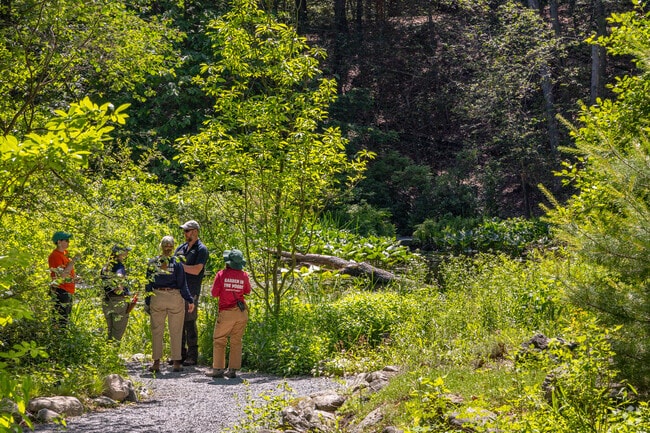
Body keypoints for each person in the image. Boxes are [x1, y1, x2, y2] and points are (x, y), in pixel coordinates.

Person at [145, 236, 195, 373]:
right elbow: (182, 284)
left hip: (157, 296)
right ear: (173, 247)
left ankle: (156, 363)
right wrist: (190, 300)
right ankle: (177, 362)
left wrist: (147, 302)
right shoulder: (177, 263)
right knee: (176, 330)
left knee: (157, 330)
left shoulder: (152, 263)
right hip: (174, 297)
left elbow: (148, 284)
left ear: (161, 246)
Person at [205, 249, 251, 379]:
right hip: (241, 313)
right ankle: (232, 370)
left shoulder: (221, 274)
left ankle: (218, 369)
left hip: (226, 312)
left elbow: (214, 294)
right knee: (236, 340)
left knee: (220, 340)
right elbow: (247, 291)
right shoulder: (244, 275)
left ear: (228, 262)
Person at [174, 220, 209, 366]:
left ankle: (192, 355)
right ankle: (179, 354)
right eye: (184, 231)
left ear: (195, 231)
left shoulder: (201, 249)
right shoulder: (181, 248)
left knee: (189, 322)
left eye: (187, 231)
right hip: (178, 290)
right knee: (178, 322)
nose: (185, 233)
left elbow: (197, 270)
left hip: (192, 291)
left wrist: (181, 267)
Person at [101, 244, 134, 342]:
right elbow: (119, 275)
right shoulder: (119, 266)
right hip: (118, 302)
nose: (127, 253)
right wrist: (119, 286)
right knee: (117, 333)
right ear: (119, 253)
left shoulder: (106, 266)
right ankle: (113, 354)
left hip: (106, 300)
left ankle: (108, 354)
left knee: (110, 330)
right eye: (125, 251)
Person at [48, 231, 80, 326]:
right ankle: (58, 338)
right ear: (59, 242)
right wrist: (73, 261)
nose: (68, 242)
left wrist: (75, 278)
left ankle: (62, 337)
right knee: (60, 320)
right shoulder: (55, 255)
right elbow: (61, 276)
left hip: (68, 290)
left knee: (66, 318)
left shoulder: (65, 254)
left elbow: (68, 272)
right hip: (60, 290)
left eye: (68, 240)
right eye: (66, 240)